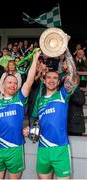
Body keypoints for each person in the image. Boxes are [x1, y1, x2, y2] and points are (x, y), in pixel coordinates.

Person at [0, 49, 41, 179]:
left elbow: (29, 80)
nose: (13, 85)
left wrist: (35, 58)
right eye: (10, 82)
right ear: (3, 85)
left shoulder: (19, 99)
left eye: (15, 83)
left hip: (15, 149)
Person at [23, 46, 78, 179]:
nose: (52, 80)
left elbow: (73, 73)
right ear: (44, 79)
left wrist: (65, 49)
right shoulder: (40, 100)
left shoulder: (62, 95)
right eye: (49, 78)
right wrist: (30, 131)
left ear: (59, 82)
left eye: (55, 78)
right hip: (43, 149)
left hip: (60, 149)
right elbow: (37, 123)